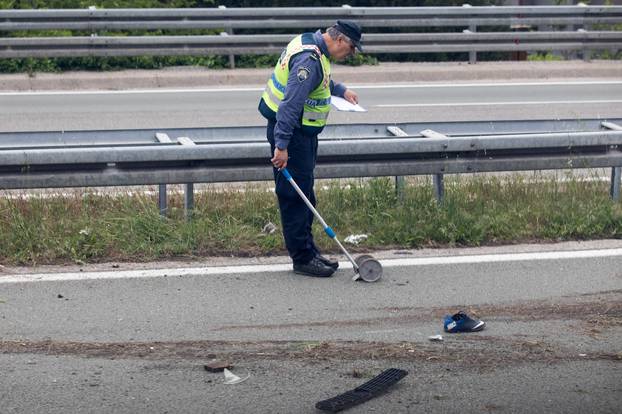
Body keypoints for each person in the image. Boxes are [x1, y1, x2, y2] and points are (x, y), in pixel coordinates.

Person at [258, 20, 363, 277]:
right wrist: (281, 146)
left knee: (305, 194)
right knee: (295, 197)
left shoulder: (312, 44)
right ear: (339, 40)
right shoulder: (310, 60)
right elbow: (290, 105)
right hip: (291, 136)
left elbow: (318, 81)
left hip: (300, 134)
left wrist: (339, 89)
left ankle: (309, 249)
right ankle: (302, 259)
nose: (350, 54)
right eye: (350, 48)